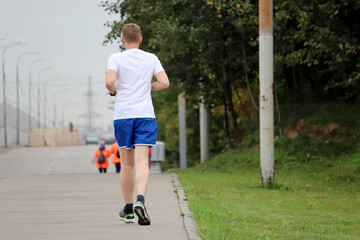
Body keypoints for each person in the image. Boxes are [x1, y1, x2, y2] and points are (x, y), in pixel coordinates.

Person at [105, 23, 169, 225]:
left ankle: (129, 209)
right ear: (141, 39)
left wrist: (114, 90)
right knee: (142, 161)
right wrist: (147, 87)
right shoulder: (151, 58)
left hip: (124, 116)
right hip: (145, 116)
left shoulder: (115, 58)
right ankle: (141, 199)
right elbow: (165, 82)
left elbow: (109, 82)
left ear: (122, 39)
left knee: (126, 163)